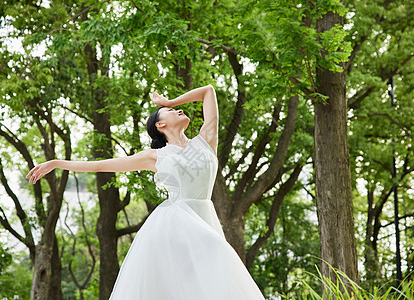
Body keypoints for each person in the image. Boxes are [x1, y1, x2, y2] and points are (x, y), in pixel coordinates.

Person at [26, 85, 265, 299]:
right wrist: (57, 163)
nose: (179, 110)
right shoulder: (156, 156)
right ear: (160, 125)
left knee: (210, 281)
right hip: (176, 224)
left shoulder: (205, 141)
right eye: (171, 112)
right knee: (208, 257)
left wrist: (169, 102)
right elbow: (100, 165)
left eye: (177, 108)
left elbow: (208, 91)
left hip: (204, 217)